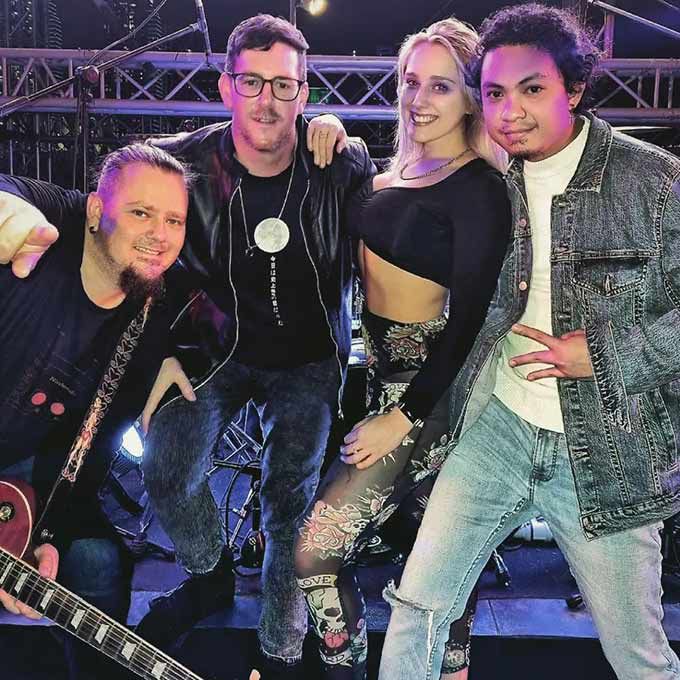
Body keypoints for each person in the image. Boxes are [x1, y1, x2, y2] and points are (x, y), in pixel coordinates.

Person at [377, 4, 680, 679]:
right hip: (500, 428)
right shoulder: (491, 184)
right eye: (494, 93)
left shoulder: (653, 182)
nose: (509, 111)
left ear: (574, 88)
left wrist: (602, 355)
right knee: (417, 609)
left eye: (532, 89)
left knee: (637, 657)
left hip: (606, 449)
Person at [126, 14, 374, 680]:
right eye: (252, 82)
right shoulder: (182, 164)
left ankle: (279, 653)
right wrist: (157, 351)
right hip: (214, 350)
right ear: (225, 86)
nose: (268, 99)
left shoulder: (339, 162)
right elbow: (120, 222)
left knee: (290, 506)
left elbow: (384, 227)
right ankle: (208, 574)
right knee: (167, 471)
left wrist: (338, 131)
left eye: (284, 85)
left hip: (309, 359)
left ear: (304, 91)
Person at [293, 18, 511, 680]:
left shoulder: (480, 188)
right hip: (378, 382)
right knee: (431, 553)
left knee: (315, 555)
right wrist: (334, 128)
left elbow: (470, 322)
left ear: (471, 96)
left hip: (428, 398)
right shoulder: (397, 171)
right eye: (411, 82)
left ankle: (360, 667)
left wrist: (404, 415)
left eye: (440, 86)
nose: (419, 99)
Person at [0, 143, 190, 677]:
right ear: (93, 211)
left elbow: (92, 448)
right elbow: (14, 197)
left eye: (174, 220)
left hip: (28, 471)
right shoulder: (40, 248)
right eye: (140, 212)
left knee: (99, 562)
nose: (160, 234)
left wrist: (46, 534)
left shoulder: (148, 316)